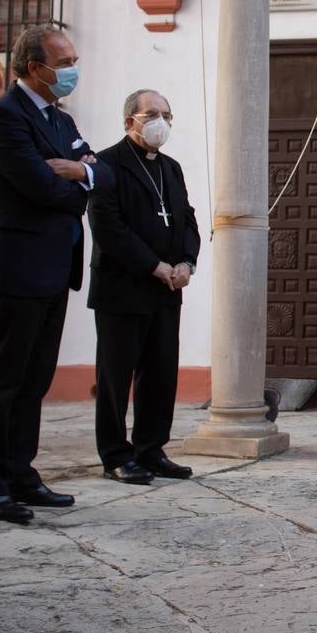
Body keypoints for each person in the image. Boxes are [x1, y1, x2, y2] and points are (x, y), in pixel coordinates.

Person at [0, 24, 103, 523]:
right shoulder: (4, 118)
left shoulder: (60, 120)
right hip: (17, 267)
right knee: (3, 379)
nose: (71, 70)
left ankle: (20, 474)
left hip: (53, 267)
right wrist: (74, 179)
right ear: (32, 67)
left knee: (34, 379)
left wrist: (77, 172)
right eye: (62, 62)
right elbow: (40, 188)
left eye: (73, 59)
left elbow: (97, 169)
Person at [87, 90, 200, 485]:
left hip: (167, 289)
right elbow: (108, 228)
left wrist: (187, 262)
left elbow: (187, 219)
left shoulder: (171, 168)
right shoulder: (105, 164)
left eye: (167, 114)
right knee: (116, 375)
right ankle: (116, 454)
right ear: (129, 120)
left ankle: (151, 449)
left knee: (161, 372)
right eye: (152, 113)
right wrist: (155, 266)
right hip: (123, 287)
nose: (161, 122)